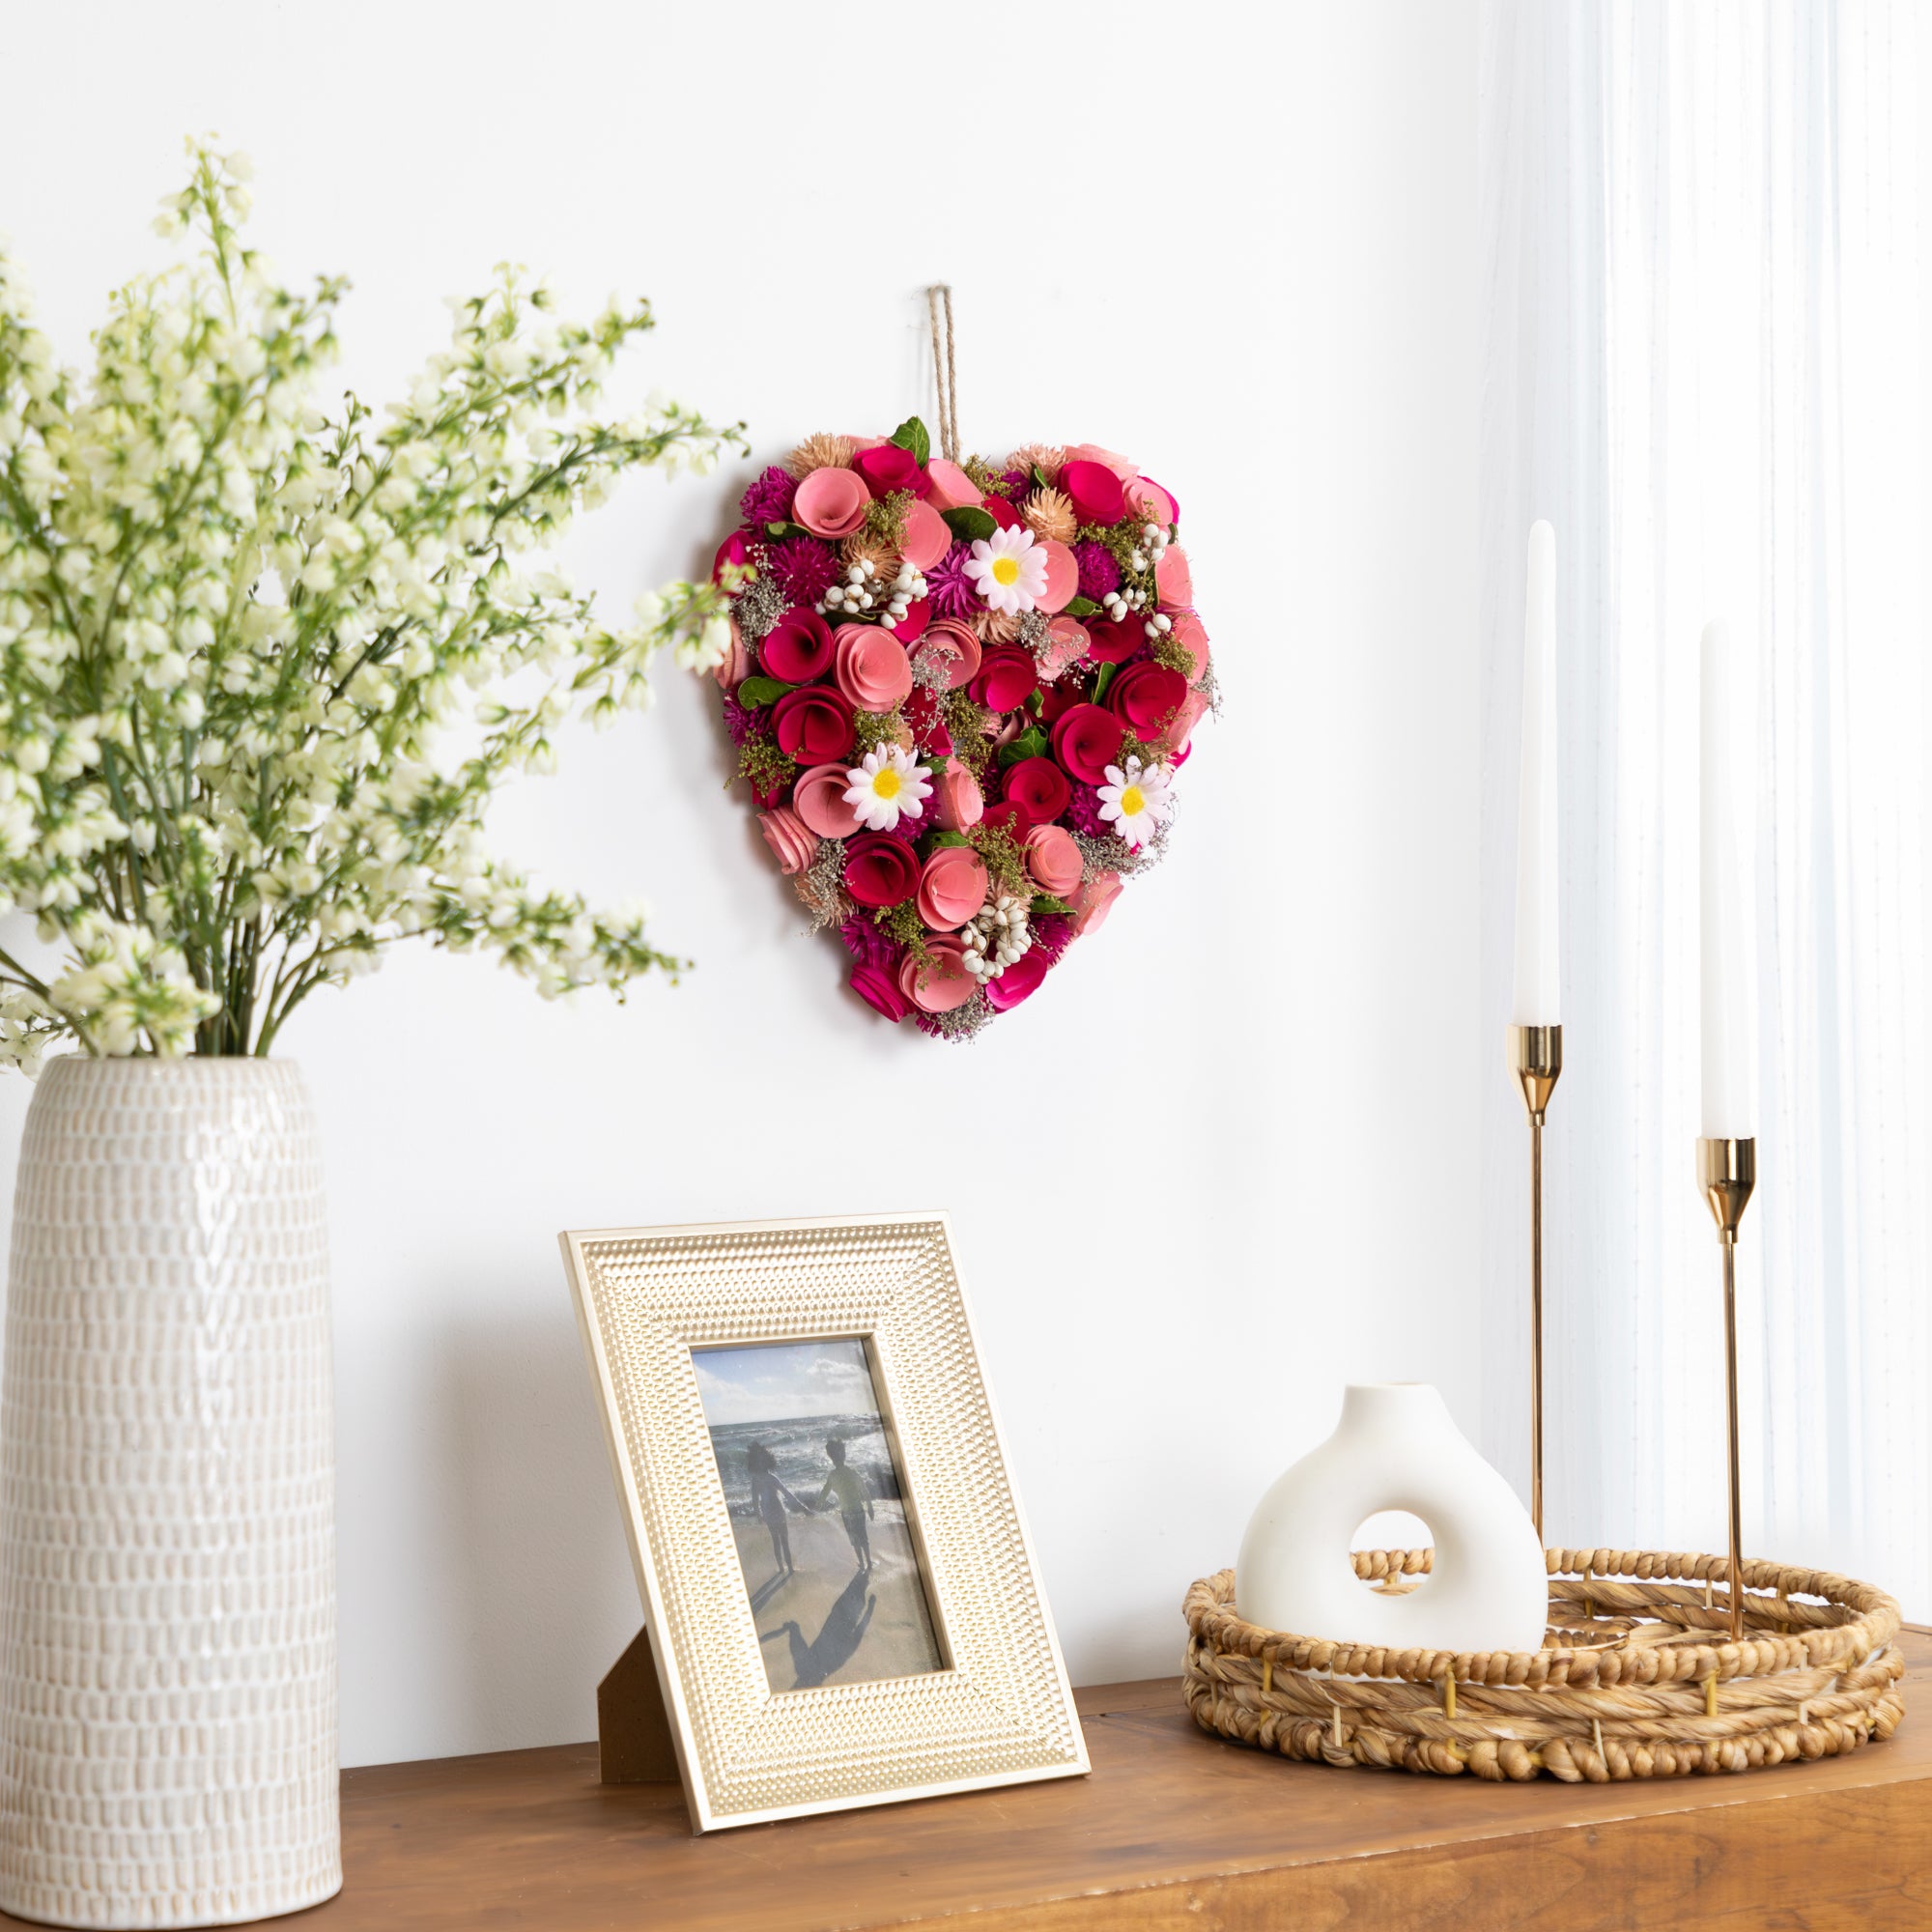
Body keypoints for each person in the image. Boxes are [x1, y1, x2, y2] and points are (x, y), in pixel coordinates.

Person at [745, 1441, 806, 1577]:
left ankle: (786, 1568)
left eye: (763, 1461)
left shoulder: (765, 1479)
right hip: (772, 1513)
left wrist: (800, 1505)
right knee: (778, 1541)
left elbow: (786, 1493)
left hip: (775, 1512)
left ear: (767, 1461)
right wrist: (758, 1514)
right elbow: (755, 1499)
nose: (761, 1464)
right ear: (755, 1463)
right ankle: (784, 1568)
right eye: (759, 1461)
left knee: (782, 1541)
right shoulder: (764, 1479)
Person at [813, 1436, 873, 1571]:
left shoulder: (832, 1475)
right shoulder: (852, 1472)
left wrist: (819, 1504)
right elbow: (864, 1491)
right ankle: (868, 1562)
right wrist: (870, 1507)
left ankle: (862, 1563)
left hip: (847, 1513)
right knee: (863, 1537)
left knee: (854, 1539)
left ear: (831, 1458)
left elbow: (824, 1491)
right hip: (858, 1511)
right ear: (844, 1455)